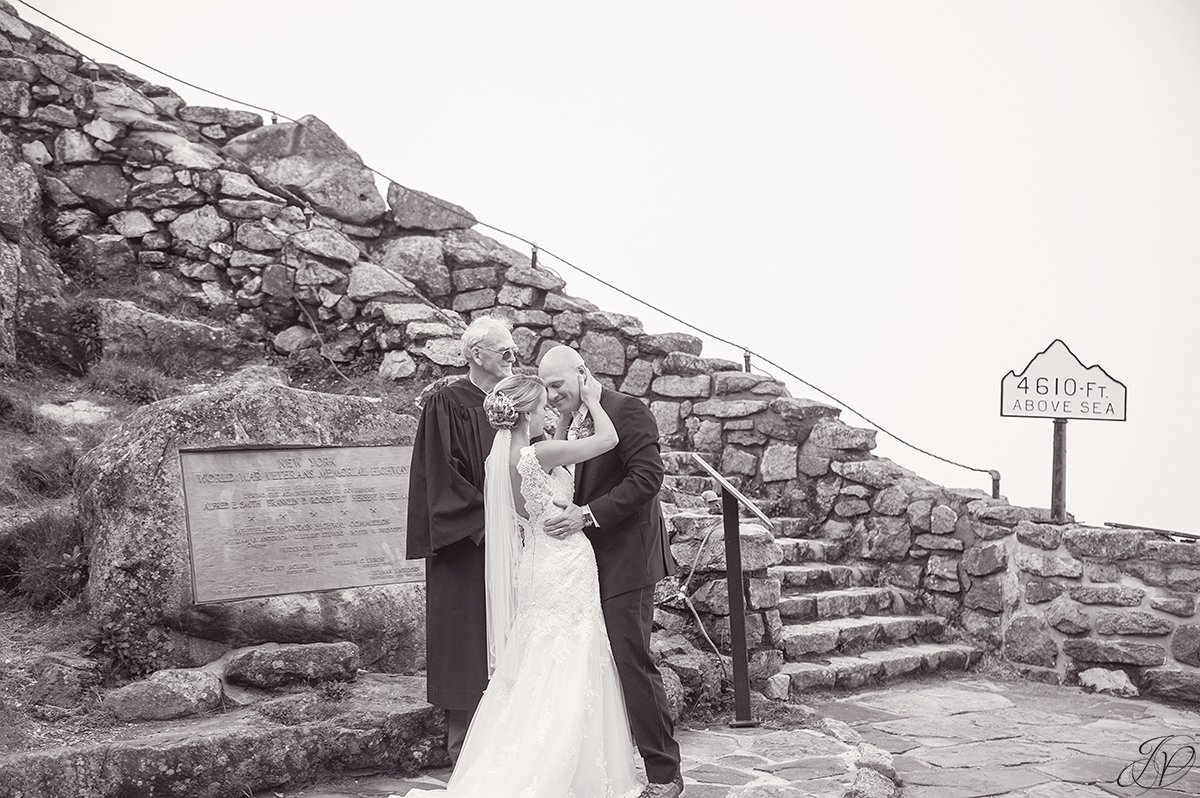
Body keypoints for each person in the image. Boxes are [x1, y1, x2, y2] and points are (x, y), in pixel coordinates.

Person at [399, 371, 643, 798]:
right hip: (564, 564)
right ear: (527, 412)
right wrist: (592, 400)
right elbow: (607, 441)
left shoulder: (505, 460)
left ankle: (540, 757)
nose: (550, 412)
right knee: (572, 660)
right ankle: (563, 768)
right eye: (543, 407)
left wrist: (563, 423)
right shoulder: (538, 454)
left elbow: (557, 467)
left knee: (544, 663)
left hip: (538, 564)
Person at [539, 345, 684, 798]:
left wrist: (587, 515)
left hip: (628, 559)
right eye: (544, 387)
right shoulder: (566, 419)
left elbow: (646, 478)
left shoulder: (628, 410)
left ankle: (665, 775)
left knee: (631, 662)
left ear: (582, 373)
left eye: (557, 384)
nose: (550, 394)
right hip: (579, 566)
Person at [406, 316, 517, 764]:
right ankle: (466, 753)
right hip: (468, 544)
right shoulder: (446, 403)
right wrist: (490, 523)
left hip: (515, 543)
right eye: (506, 352)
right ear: (476, 354)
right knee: (468, 638)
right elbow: (441, 475)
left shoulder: (514, 403)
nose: (514, 359)